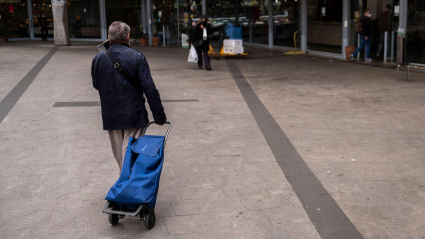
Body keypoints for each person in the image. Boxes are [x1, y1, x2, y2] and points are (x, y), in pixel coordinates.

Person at [91, 21, 167, 171]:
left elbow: (96, 85)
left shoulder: (98, 59)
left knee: (121, 157)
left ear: (108, 37)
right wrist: (159, 115)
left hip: (111, 114)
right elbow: (149, 88)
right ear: (128, 37)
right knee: (130, 154)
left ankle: (125, 184)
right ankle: (128, 186)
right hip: (133, 114)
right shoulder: (137, 57)